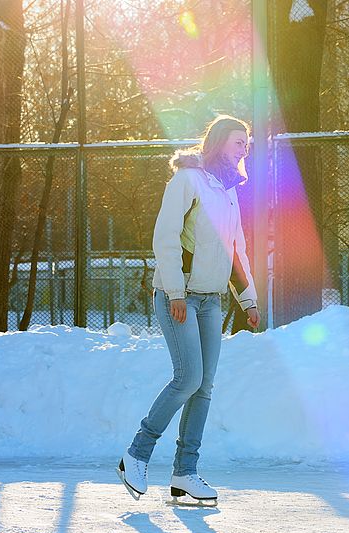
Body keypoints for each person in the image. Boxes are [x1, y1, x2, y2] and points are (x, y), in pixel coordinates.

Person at [117, 115, 260, 504]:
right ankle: (136, 454)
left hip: (210, 300)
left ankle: (185, 473)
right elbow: (165, 238)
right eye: (237, 142)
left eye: (246, 143)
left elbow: (236, 249)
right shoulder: (187, 181)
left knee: (205, 384)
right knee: (188, 378)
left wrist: (247, 299)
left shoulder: (229, 190)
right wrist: (176, 293)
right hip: (177, 297)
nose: (244, 148)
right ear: (217, 143)